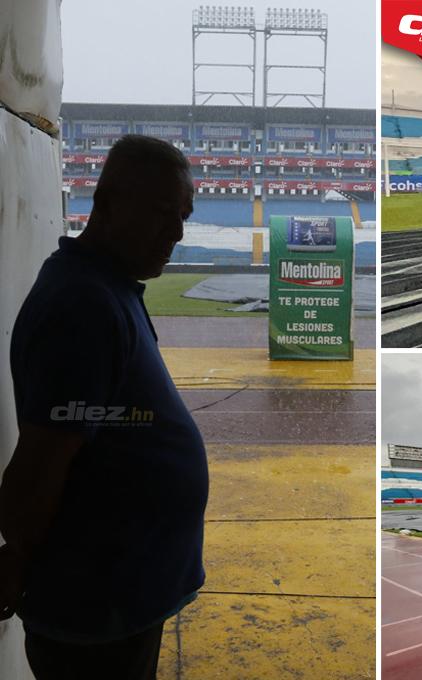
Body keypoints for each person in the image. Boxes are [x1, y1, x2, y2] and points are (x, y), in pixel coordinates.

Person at [0, 135, 206, 680]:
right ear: (107, 203)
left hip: (118, 601)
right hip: (95, 611)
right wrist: (18, 556)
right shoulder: (83, 305)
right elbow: (41, 462)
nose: (177, 233)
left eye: (183, 215)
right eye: (163, 213)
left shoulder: (106, 288)